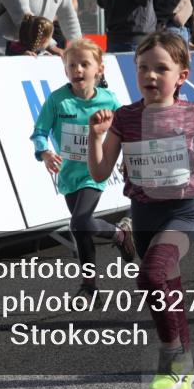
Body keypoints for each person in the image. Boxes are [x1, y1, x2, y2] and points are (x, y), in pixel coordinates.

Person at [87, 32, 194, 389]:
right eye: (144, 68)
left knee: (152, 274)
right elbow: (99, 173)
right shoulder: (126, 117)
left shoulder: (192, 114)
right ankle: (185, 369)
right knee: (167, 286)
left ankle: (171, 359)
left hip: (180, 213)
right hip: (143, 215)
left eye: (162, 68)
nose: (151, 76)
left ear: (182, 76)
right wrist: (96, 137)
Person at [30, 38, 133, 297]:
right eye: (71, 65)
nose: (77, 70)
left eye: (84, 64)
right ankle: (92, 282)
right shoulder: (57, 100)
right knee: (81, 230)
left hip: (94, 172)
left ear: (99, 69)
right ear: (65, 70)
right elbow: (39, 131)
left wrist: (127, 158)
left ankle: (112, 247)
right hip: (68, 175)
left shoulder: (110, 101)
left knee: (80, 221)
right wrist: (44, 153)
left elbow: (127, 131)